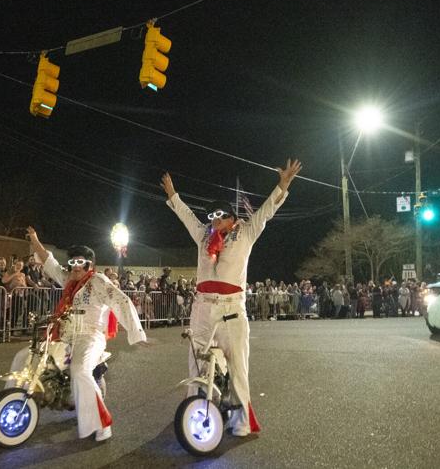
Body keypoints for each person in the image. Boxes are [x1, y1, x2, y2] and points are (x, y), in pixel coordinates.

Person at [161, 158, 302, 437]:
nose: (214, 221)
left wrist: (283, 185)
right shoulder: (203, 235)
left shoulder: (246, 232)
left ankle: (241, 422)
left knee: (237, 366)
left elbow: (266, 211)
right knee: (197, 363)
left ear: (231, 217)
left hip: (232, 311)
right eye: (211, 217)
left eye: (219, 216)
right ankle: (195, 414)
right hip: (203, 309)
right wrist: (173, 195)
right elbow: (187, 216)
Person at [26, 225, 146, 442]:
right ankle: (22, 404)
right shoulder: (69, 280)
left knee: (79, 369)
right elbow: (49, 261)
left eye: (80, 262)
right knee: (27, 357)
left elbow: (122, 301)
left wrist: (137, 334)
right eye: (72, 262)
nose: (75, 266)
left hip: (90, 336)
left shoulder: (98, 281)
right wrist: (34, 239)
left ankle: (102, 424)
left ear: (90, 264)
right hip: (65, 335)